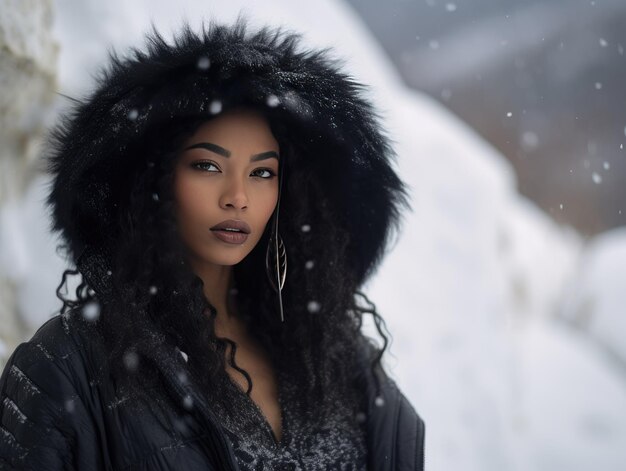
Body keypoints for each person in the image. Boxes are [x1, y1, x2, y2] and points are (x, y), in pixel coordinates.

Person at [0, 17, 425, 470]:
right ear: (153, 180)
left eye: (262, 173)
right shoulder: (69, 368)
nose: (237, 198)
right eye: (207, 166)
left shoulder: (343, 364)